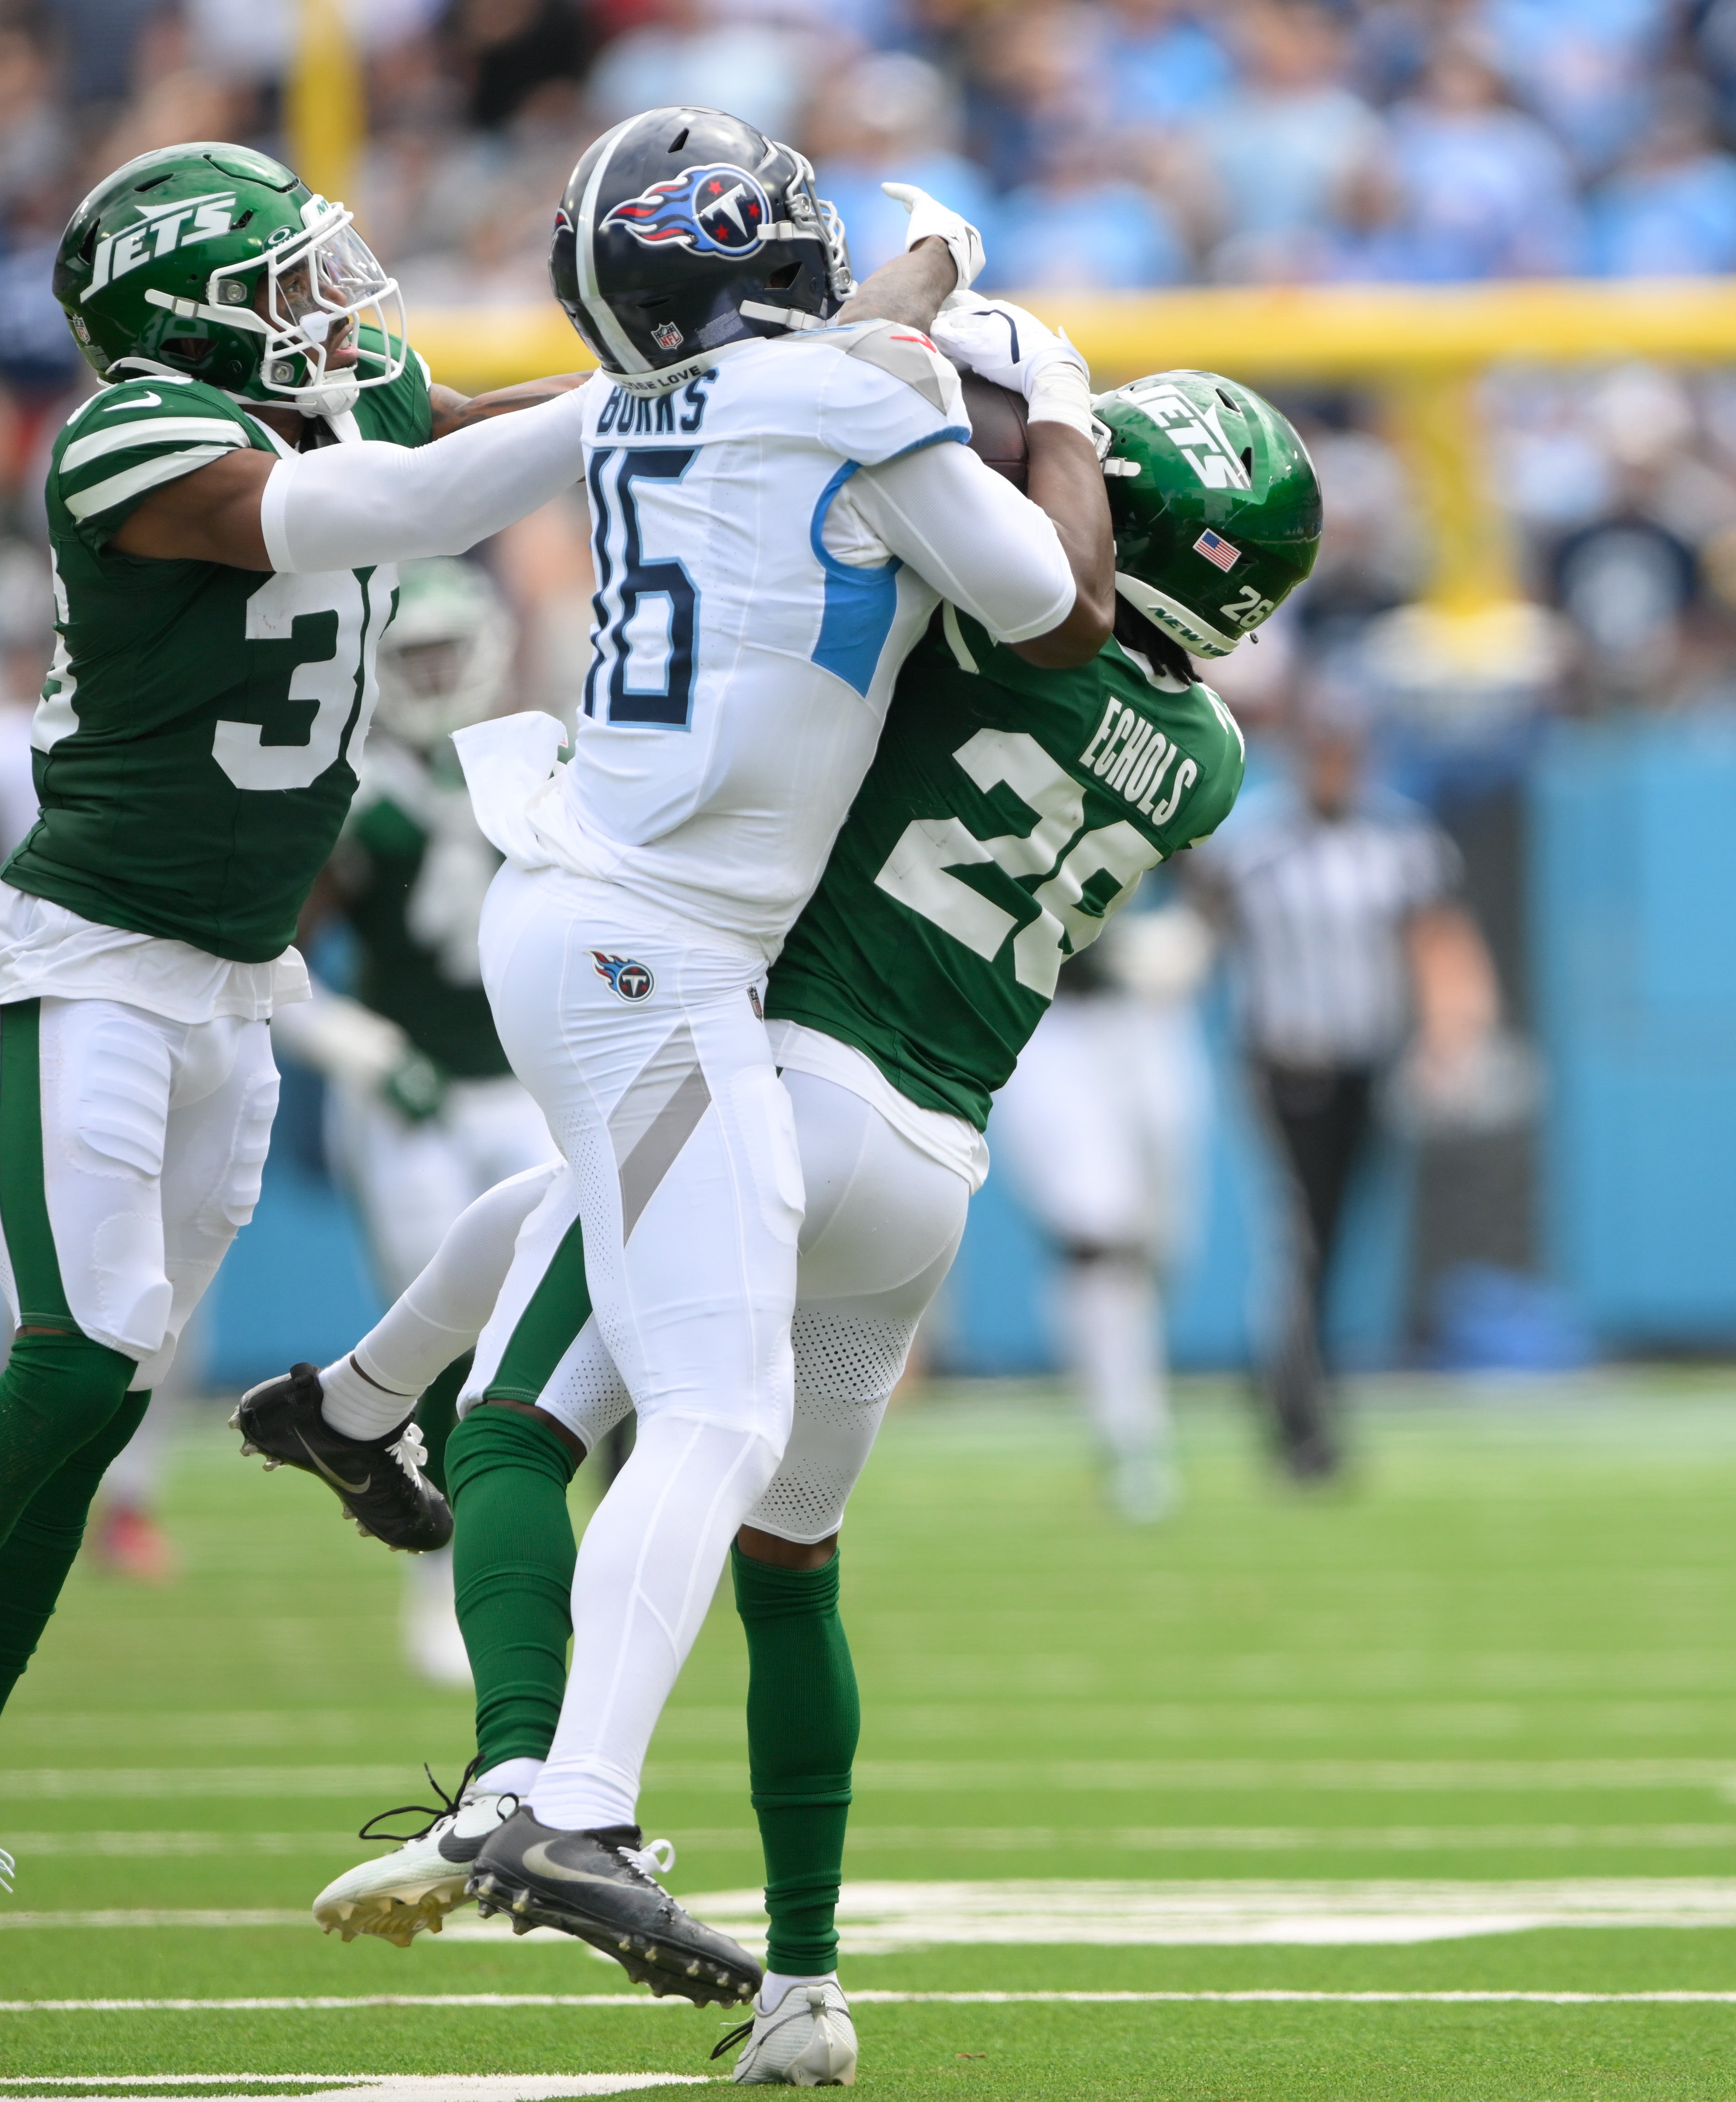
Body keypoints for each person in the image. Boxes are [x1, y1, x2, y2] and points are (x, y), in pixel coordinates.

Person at [296, 361, 1317, 2087]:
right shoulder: (1207, 757)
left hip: (769, 1074)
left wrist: (1001, 400)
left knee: (516, 1429)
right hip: (925, 1167)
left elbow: (921, 555)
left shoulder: (980, 619)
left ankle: (527, 1792)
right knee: (790, 1565)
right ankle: (809, 1993)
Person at [229, 112, 1114, 2019]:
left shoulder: (668, 410)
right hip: (660, 944)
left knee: (609, 1238)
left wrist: (917, 309)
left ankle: (368, 1398)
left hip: (600, 914)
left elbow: (703, 394)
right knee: (709, 1404)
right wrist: (1059, 410)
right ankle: (574, 1806)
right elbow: (1056, 601)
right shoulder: (847, 398)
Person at [0, 136, 621, 2020]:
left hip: (238, 982)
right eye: (290, 285)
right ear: (184, 314)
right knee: (69, 1364)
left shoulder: (340, 385)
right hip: (93, 957)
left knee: (103, 1395)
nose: (336, 312)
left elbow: (463, 413)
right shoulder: (126, 440)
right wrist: (668, 393)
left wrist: (662, 395)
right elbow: (386, 507)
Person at [272, 557, 560, 1684]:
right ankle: (439, 1570)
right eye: (414, 657)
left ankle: (553, 1548)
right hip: (412, 1103)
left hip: (525, 1089)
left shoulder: (537, 765)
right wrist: (363, 1050)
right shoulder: (357, 794)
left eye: (447, 650)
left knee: (558, 1331)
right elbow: (273, 954)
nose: (434, 674)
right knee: (443, 1336)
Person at [1197, 701, 1496, 1480]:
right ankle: (1298, 1417)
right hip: (1283, 1062)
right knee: (1296, 1238)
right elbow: (1202, 931)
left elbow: (1438, 945)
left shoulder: (1397, 841)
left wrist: (1448, 1037)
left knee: (1329, 1241)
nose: (1333, 765)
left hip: (1364, 1063)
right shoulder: (1253, 841)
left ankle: (1293, 1387)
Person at [987, 877, 1214, 1522]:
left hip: (1143, 1019)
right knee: (1097, 1234)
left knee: (1162, 1244)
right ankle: (1130, 1438)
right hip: (1045, 1018)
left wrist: (1188, 930)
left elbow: (1206, 868)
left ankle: (1126, 1407)